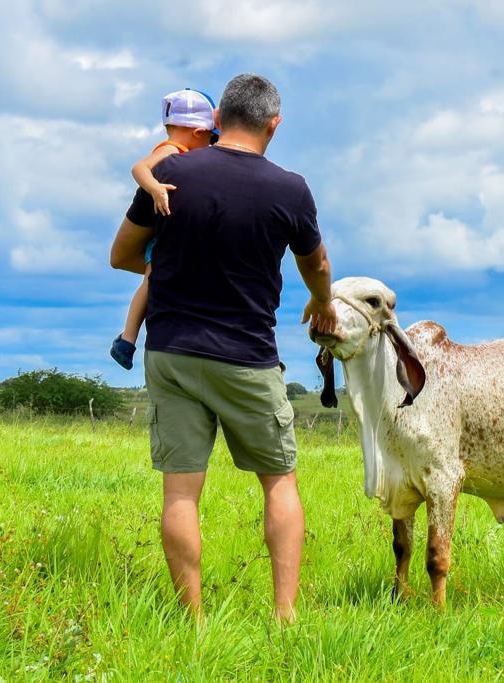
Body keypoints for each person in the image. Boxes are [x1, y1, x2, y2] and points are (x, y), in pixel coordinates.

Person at [109, 73, 338, 622]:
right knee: (279, 481)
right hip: (248, 356)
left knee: (181, 494)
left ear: (218, 121)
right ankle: (285, 617)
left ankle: (192, 622)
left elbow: (122, 255)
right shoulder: (291, 188)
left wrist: (171, 264)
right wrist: (322, 300)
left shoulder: (170, 171)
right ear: (273, 124)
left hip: (171, 350)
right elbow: (317, 263)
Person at [110, 88, 220, 370]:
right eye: (210, 138)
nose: (210, 146)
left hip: (168, 237)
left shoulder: (180, 153)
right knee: (151, 280)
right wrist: (155, 188)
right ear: (196, 132)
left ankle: (128, 338)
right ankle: (128, 339)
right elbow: (139, 168)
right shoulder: (171, 151)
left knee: (151, 282)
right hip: (161, 240)